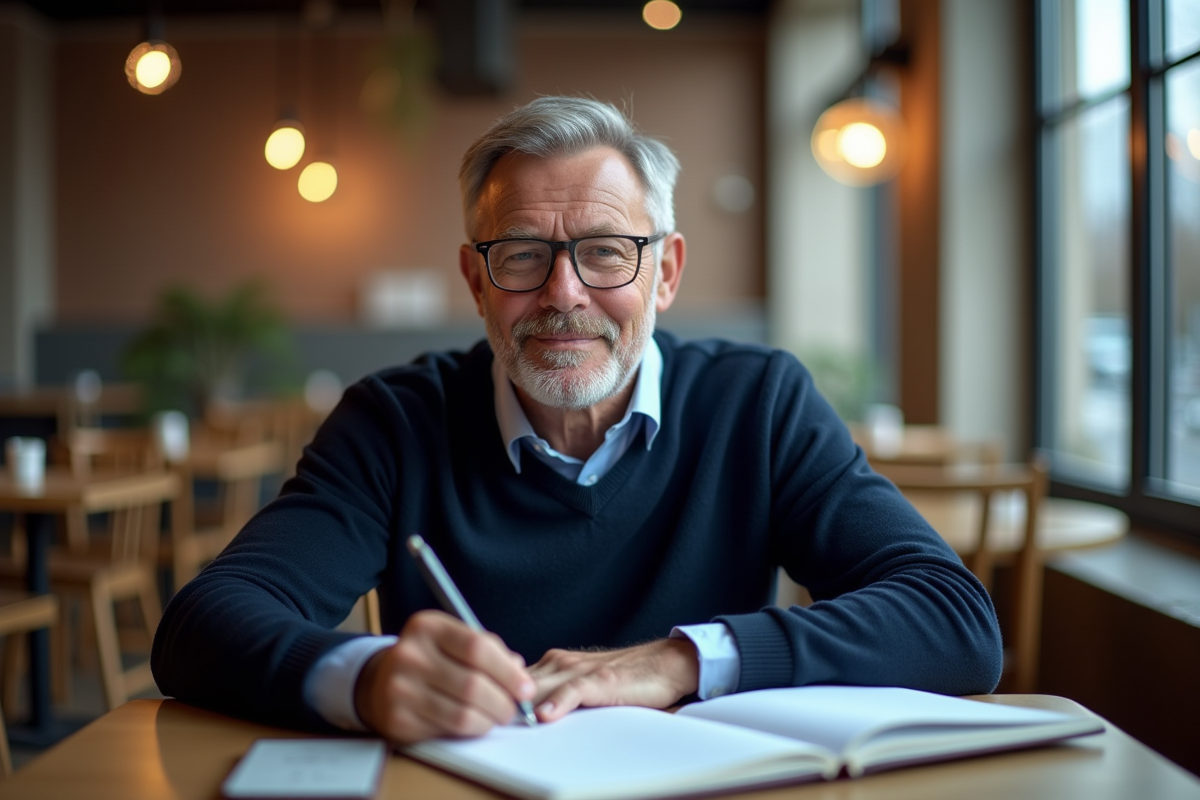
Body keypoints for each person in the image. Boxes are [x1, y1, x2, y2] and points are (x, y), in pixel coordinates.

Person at [152, 96, 1002, 743]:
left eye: (604, 251)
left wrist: (678, 661)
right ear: (477, 281)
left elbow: (954, 620)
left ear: (664, 273)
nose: (564, 295)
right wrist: (365, 677)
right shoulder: (393, 423)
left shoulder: (759, 403)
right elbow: (202, 625)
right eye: (522, 255)